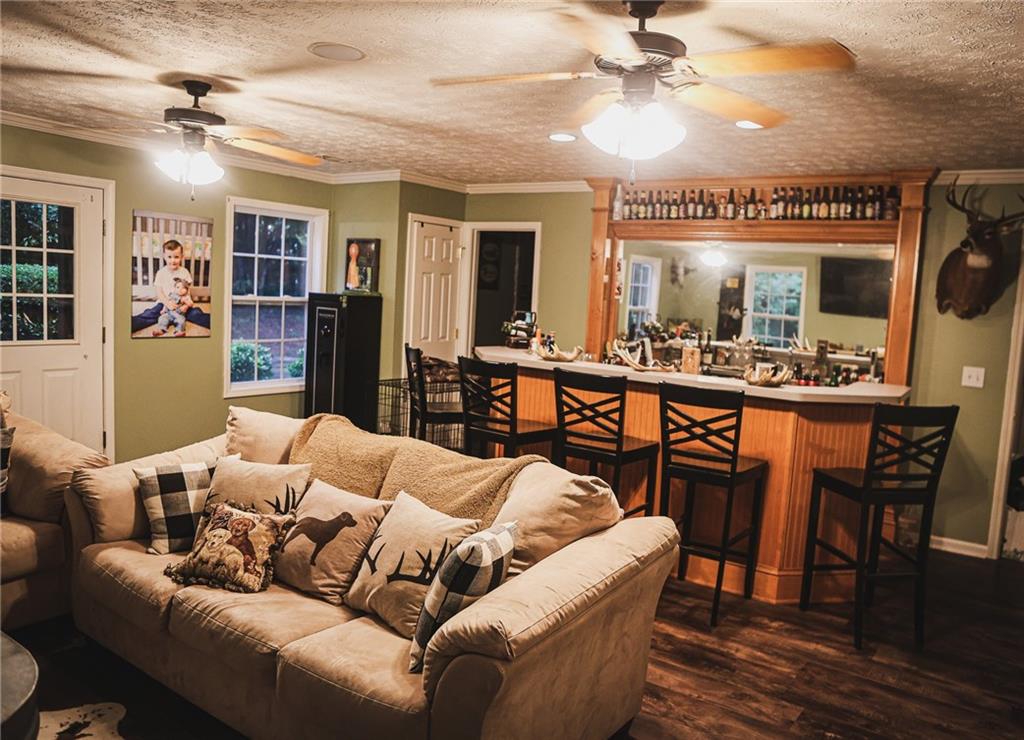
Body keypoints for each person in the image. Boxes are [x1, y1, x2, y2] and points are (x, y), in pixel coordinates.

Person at [131, 239, 210, 333]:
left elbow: (187, 291)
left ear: (182, 257)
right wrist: (168, 303)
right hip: (164, 304)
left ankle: (217, 322)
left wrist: (186, 305)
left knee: (196, 314)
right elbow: (159, 292)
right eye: (169, 257)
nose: (173, 260)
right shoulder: (161, 273)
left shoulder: (184, 272)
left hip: (182, 304)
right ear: (164, 256)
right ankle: (130, 324)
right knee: (150, 314)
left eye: (176, 257)